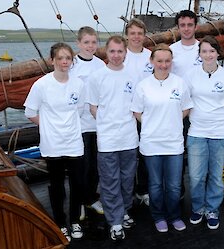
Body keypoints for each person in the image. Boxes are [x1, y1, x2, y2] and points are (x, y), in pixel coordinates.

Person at [24, 42, 85, 242]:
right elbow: (30, 112)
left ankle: (75, 220)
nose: (64, 62)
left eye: (68, 58)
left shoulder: (78, 84)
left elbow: (80, 109)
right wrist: (48, 126)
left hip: (74, 142)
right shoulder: (42, 85)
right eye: (60, 58)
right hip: (53, 145)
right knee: (57, 185)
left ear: (72, 61)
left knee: (77, 183)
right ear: (52, 61)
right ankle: (60, 222)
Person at [131, 44, 193, 233]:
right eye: (159, 61)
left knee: (174, 185)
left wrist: (170, 122)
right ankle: (158, 216)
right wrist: (152, 124)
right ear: (152, 62)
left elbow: (186, 108)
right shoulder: (143, 86)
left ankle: (174, 216)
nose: (163, 65)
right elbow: (137, 111)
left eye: (167, 61)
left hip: (174, 142)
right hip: (151, 143)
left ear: (171, 62)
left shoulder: (179, 83)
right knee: (156, 185)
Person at [86, 35, 139, 241]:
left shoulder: (133, 75)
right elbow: (93, 107)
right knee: (110, 182)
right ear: (106, 52)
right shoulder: (97, 77)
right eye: (112, 51)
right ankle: (115, 221)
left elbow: (137, 104)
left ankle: (124, 210)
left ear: (125, 52)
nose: (116, 56)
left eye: (120, 51)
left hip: (129, 137)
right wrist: (108, 123)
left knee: (127, 180)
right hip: (107, 139)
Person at [185, 35, 224, 229]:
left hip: (220, 132)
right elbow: (185, 100)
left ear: (218, 53)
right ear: (199, 54)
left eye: (212, 51)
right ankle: (198, 208)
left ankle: (212, 209)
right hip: (197, 131)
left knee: (215, 175)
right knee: (196, 176)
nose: (208, 55)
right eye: (204, 51)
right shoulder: (190, 75)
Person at [70, 26, 105, 220]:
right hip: (79, 125)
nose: (90, 46)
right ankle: (80, 201)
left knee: (95, 166)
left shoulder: (100, 65)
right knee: (80, 166)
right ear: (78, 43)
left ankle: (91, 198)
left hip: (97, 124)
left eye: (93, 42)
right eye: (86, 42)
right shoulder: (72, 65)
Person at [170, 9, 201, 199]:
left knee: (198, 152)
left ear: (195, 26)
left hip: (201, 109)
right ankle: (178, 190)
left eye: (190, 25)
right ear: (178, 27)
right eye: (183, 25)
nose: (187, 29)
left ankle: (199, 191)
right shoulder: (172, 51)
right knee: (178, 151)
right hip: (179, 110)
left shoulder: (203, 48)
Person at [124, 18, 153, 206]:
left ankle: (143, 189)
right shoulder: (120, 55)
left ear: (144, 36)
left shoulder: (151, 56)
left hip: (146, 113)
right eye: (132, 33)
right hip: (124, 113)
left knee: (145, 152)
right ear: (127, 35)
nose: (136, 37)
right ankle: (126, 192)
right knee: (127, 155)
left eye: (139, 33)